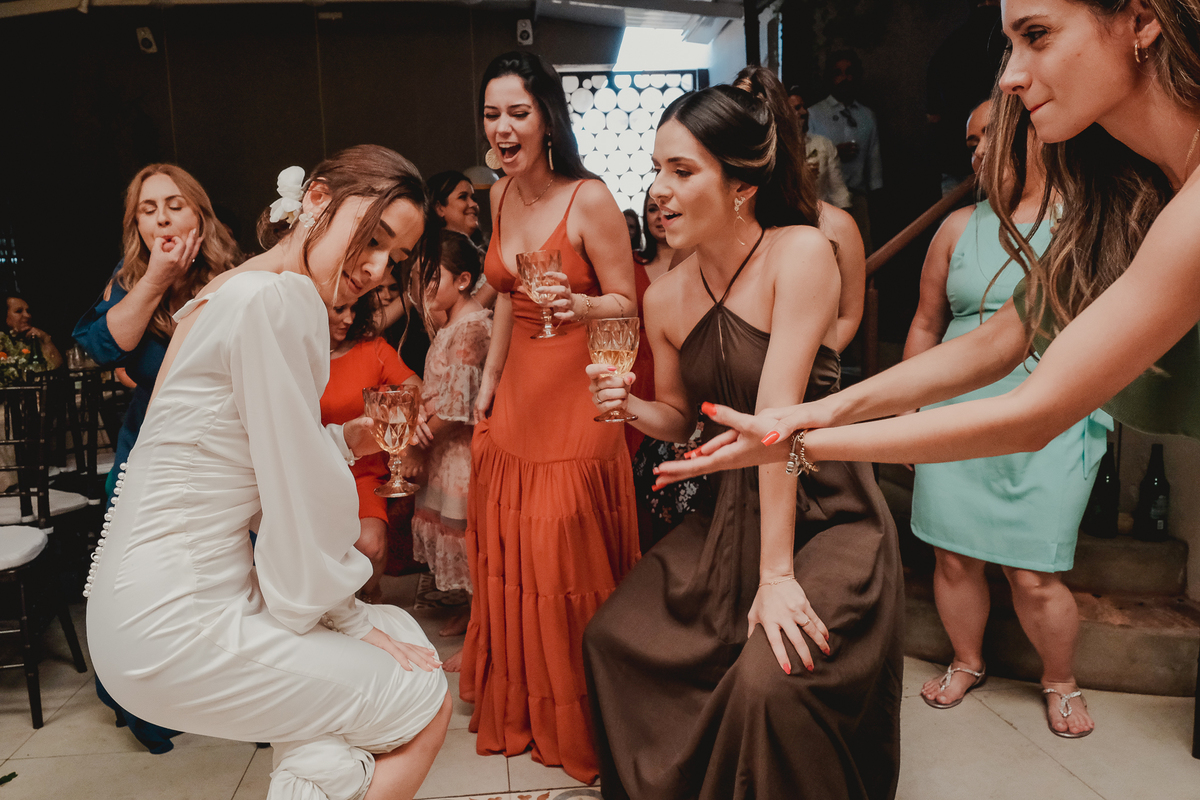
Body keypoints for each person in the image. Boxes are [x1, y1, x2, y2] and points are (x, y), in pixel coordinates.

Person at [654, 0, 1200, 740]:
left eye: (1037, 36)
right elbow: (998, 343)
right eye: (1008, 44)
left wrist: (794, 442)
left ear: (1141, 21)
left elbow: (1034, 411)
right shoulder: (1129, 191)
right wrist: (815, 411)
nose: (1010, 77)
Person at [86, 145, 452, 800]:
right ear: (316, 200)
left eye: (394, 259)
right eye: (373, 239)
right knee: (422, 692)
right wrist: (349, 618)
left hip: (138, 604)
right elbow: (298, 491)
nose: (376, 269)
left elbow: (243, 447)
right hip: (178, 616)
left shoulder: (229, 289)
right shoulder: (282, 300)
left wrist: (349, 438)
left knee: (325, 736)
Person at [583, 66, 903, 800]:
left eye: (681, 170)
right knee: (611, 639)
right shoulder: (663, 296)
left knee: (770, 680)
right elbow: (678, 417)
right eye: (656, 169)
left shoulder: (801, 254)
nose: (658, 190)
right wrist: (629, 408)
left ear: (740, 186)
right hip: (725, 509)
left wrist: (777, 579)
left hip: (824, 507)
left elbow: (775, 426)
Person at [906, 98, 1109, 736]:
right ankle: (966, 660)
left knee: (1034, 571)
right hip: (955, 409)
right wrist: (911, 411)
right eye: (970, 142)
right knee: (954, 558)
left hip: (1052, 408)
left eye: (989, 134)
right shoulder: (956, 227)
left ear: (1035, 133)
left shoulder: (1088, 219)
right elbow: (926, 323)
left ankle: (1061, 679)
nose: (977, 152)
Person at [464, 50, 639, 783]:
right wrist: (489, 381)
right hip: (519, 394)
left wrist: (581, 303)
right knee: (514, 554)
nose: (503, 128)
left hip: (578, 391)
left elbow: (629, 302)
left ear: (546, 120)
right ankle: (527, 707)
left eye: (518, 113)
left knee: (563, 550)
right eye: (492, 115)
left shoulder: (589, 198)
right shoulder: (499, 194)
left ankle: (584, 714)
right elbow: (508, 293)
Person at [73, 163, 241, 754]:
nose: (163, 218)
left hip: (224, 448)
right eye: (149, 209)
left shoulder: (233, 274)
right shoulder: (129, 279)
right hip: (147, 446)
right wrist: (156, 278)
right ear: (136, 224)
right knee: (138, 574)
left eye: (175, 204)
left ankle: (230, 688)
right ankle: (141, 694)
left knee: (225, 572)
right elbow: (103, 346)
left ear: (199, 213)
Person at [412, 231, 492, 669]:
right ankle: (470, 611)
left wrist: (419, 441)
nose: (424, 288)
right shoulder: (450, 322)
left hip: (462, 452)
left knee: (471, 545)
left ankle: (484, 635)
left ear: (462, 281)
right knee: (456, 540)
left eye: (432, 277)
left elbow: (459, 406)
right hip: (444, 453)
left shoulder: (473, 327)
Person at [320, 291, 421, 605]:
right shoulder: (295, 357)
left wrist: (397, 426)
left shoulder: (372, 349)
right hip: (312, 475)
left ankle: (370, 595)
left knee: (372, 547)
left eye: (354, 309)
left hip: (362, 474)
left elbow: (414, 390)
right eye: (339, 309)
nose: (349, 318)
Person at [808, 50, 884, 252]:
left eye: (849, 72)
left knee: (861, 251)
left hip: (858, 197)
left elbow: (874, 160)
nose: (844, 78)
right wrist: (833, 152)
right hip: (825, 200)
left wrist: (875, 198)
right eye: (837, 73)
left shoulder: (867, 116)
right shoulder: (814, 114)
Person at [427, 170, 498, 309]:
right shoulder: (431, 257)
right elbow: (447, 319)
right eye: (463, 197)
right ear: (439, 208)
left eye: (474, 198)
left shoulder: (486, 251)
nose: (473, 204)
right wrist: (497, 278)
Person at [789, 87, 852, 210]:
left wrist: (845, 213)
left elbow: (838, 190)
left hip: (820, 214)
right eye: (797, 108)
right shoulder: (775, 149)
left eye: (804, 107)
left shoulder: (823, 144)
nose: (804, 112)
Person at [4, 293, 62, 369]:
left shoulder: (34, 338)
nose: (27, 315)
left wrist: (45, 339)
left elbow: (57, 368)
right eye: (19, 311)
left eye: (28, 311)